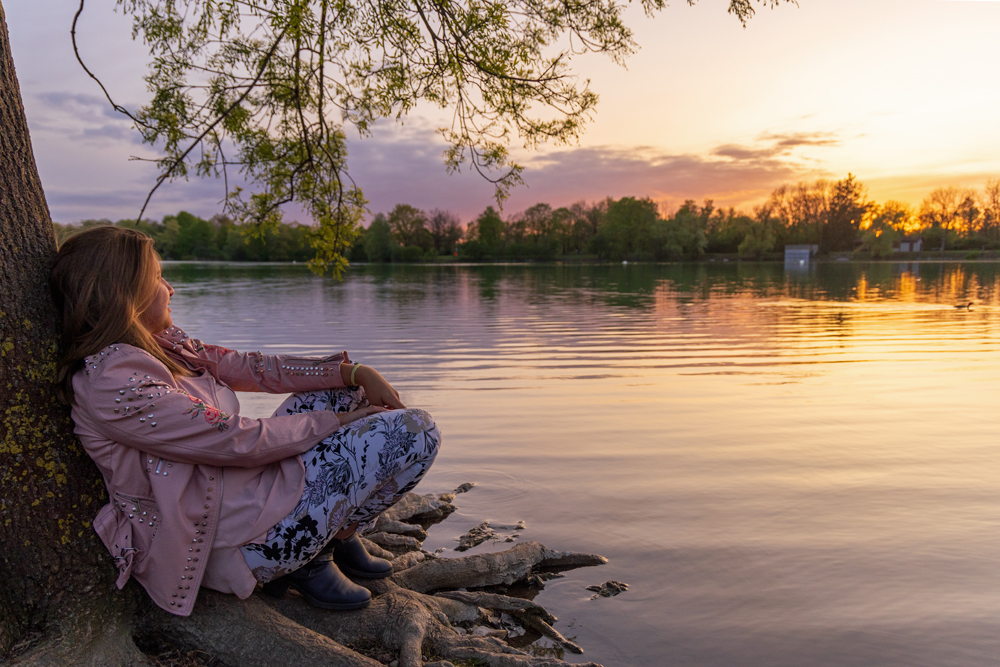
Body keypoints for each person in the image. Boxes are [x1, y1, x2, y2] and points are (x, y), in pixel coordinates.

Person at [50, 225, 440, 616]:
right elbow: (235, 439)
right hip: (226, 537)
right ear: (125, 293)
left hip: (244, 492)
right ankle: (304, 558)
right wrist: (336, 422)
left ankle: (338, 535)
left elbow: (251, 368)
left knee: (346, 391)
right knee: (416, 432)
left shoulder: (160, 344)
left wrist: (354, 373)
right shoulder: (114, 383)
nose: (170, 289)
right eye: (157, 278)